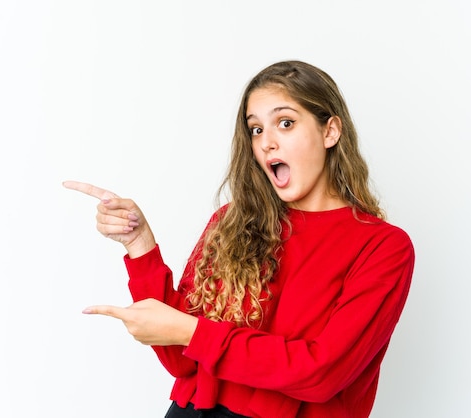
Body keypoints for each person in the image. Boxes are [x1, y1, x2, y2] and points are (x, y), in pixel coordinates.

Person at [63, 60, 415, 418]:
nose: (267, 143)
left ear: (330, 132)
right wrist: (140, 245)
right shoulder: (232, 222)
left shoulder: (383, 247)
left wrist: (192, 332)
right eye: (256, 129)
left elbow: (321, 373)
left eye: (286, 123)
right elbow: (181, 359)